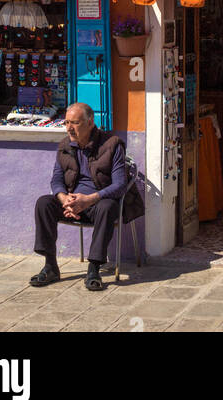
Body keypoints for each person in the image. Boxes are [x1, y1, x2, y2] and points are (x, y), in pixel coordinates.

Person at [30, 102, 143, 291]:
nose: (69, 128)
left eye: (74, 123)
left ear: (90, 123)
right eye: (66, 122)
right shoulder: (65, 145)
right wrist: (64, 199)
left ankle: (94, 268)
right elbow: (56, 179)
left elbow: (119, 185)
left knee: (108, 207)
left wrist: (88, 199)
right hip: (72, 203)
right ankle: (50, 266)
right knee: (43, 203)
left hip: (97, 204)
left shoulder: (111, 145)